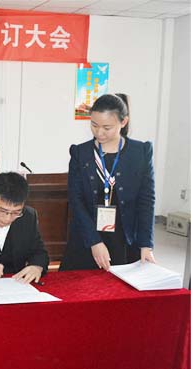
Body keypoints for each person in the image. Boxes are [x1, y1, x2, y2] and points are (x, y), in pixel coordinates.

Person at [60, 93, 156, 271]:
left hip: (124, 238)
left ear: (123, 122)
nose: (99, 132)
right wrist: (94, 241)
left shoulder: (140, 152)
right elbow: (76, 200)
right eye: (94, 125)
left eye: (107, 127)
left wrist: (145, 245)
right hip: (86, 237)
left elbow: (146, 201)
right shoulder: (81, 153)